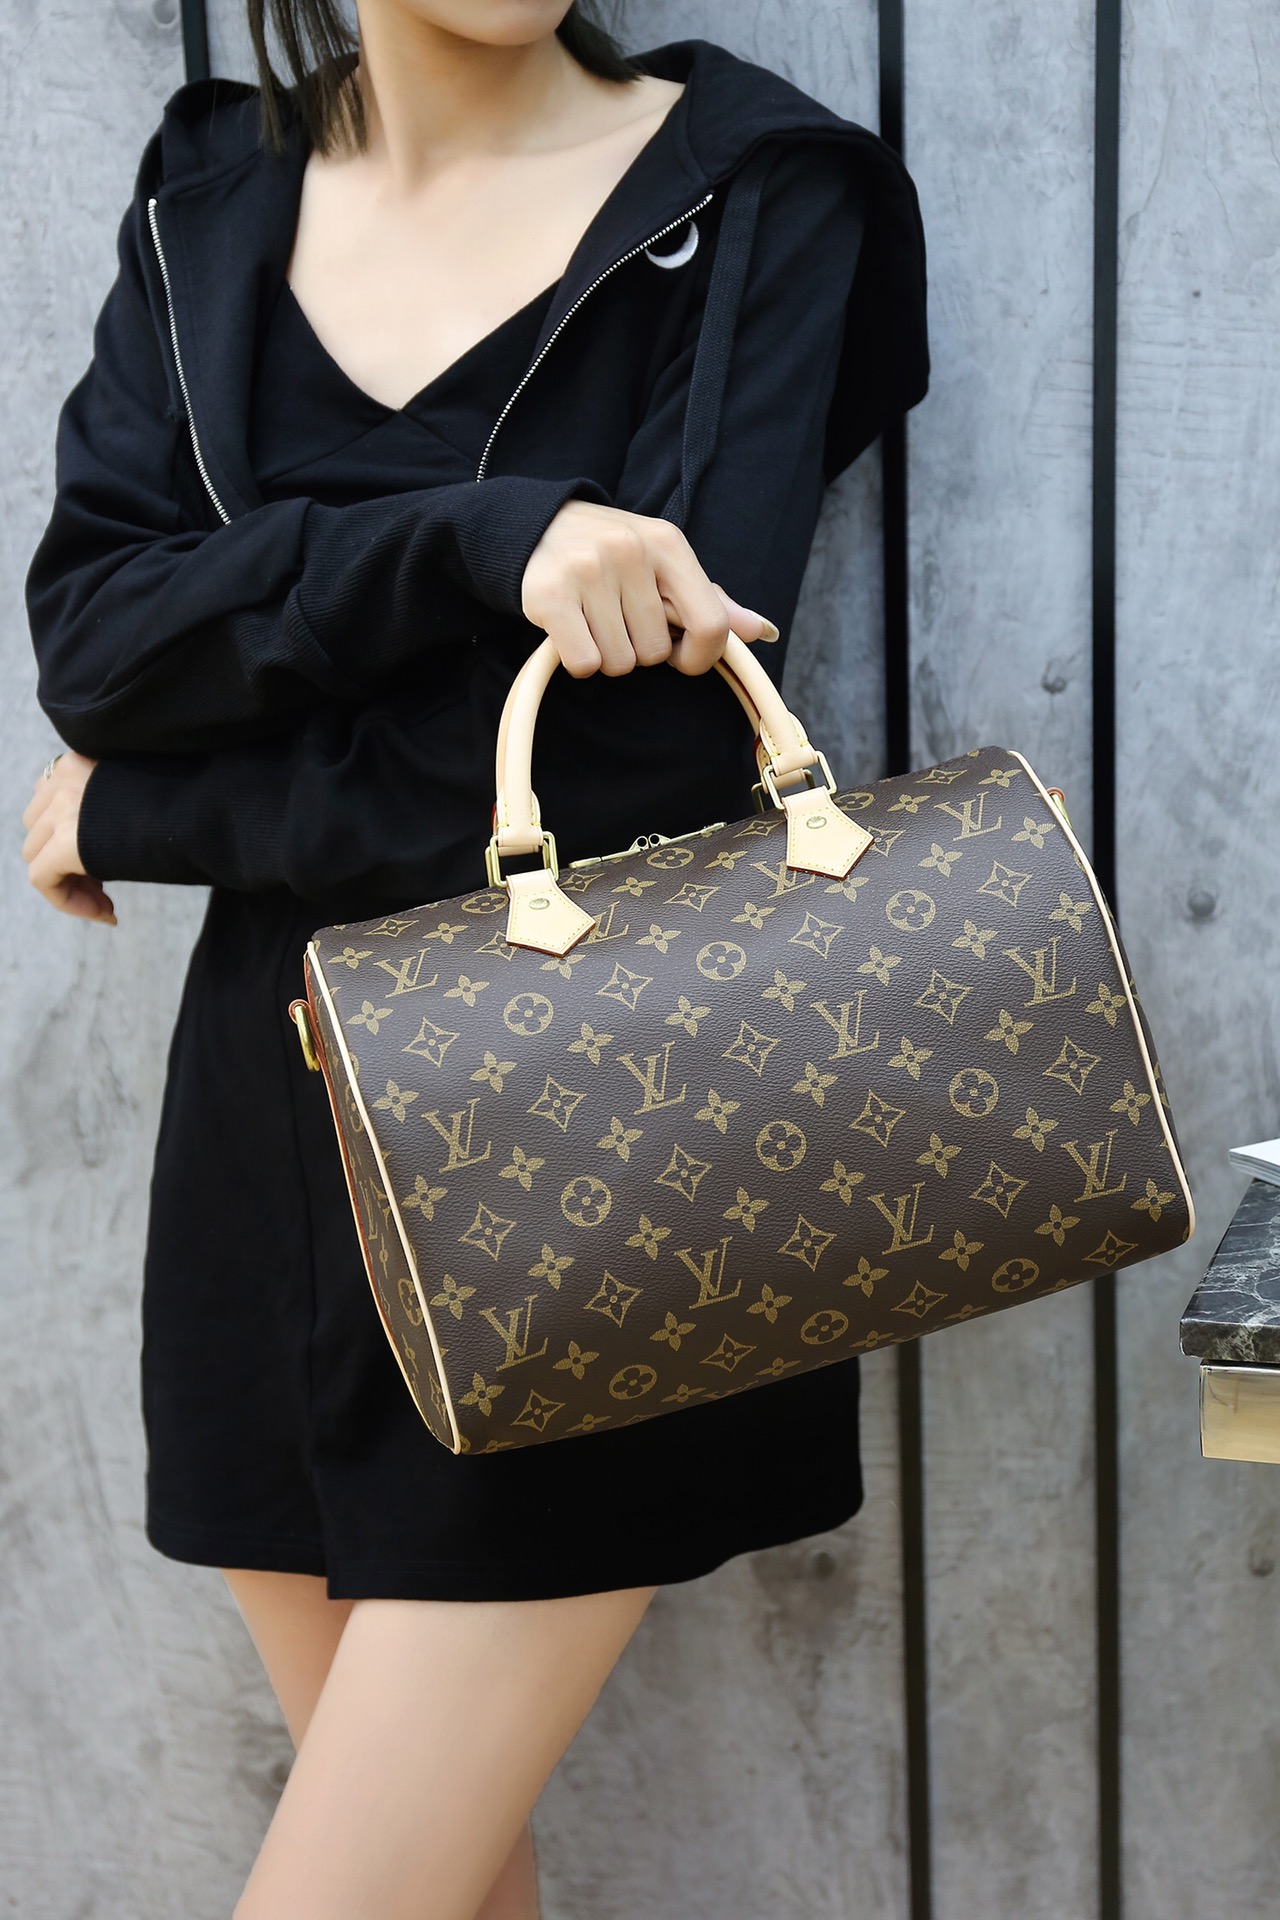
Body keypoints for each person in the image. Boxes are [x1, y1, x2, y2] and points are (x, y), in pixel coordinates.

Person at [20, 4, 927, 1914]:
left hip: (593, 1144)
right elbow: (100, 640)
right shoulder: (211, 192)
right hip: (269, 1164)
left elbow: (641, 747)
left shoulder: (755, 194)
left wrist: (157, 810)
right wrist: (476, 545)